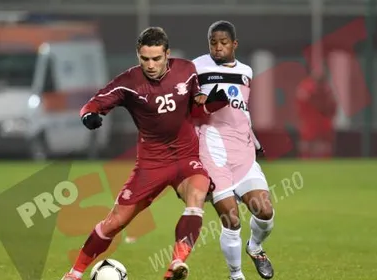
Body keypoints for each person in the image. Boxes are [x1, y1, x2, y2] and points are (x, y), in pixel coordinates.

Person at [61, 27, 229, 280]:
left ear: (167, 55)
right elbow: (94, 102)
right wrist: (89, 115)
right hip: (151, 163)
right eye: (145, 59)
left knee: (196, 197)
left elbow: (197, 108)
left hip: (186, 157)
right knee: (115, 222)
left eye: (156, 58)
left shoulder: (186, 70)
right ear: (138, 56)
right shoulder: (128, 83)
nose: (150, 65)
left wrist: (213, 102)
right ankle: (73, 274)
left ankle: (176, 264)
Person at [192, 21, 275, 280]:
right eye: (213, 43)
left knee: (265, 212)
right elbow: (187, 106)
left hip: (242, 150)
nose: (217, 48)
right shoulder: (196, 67)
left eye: (223, 43)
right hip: (212, 152)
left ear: (234, 44)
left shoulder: (246, 72)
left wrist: (255, 139)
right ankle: (236, 275)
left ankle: (256, 247)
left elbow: (241, 111)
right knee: (232, 220)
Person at [295, 70, 337, 159]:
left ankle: (324, 164)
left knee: (323, 147)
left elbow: (332, 108)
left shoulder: (326, 90)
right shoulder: (306, 88)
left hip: (322, 124)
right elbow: (301, 104)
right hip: (310, 124)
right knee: (308, 146)